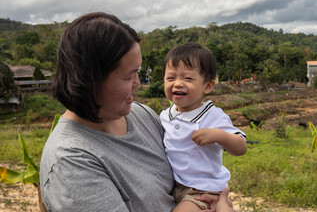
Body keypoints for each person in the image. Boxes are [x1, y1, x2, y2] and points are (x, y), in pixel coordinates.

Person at [39, 12, 176, 211]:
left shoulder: (142, 115)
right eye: (129, 77)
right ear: (90, 81)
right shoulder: (70, 160)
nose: (138, 83)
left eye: (137, 72)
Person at [160, 42, 247, 211]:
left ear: (208, 86)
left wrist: (218, 136)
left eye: (188, 78)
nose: (177, 84)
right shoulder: (165, 116)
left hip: (201, 190)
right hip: (172, 187)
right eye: (171, 78)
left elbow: (241, 147)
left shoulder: (212, 116)